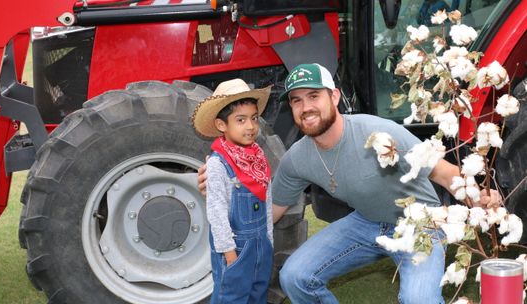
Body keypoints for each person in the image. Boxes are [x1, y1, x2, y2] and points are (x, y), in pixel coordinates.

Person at [198, 63, 501, 303]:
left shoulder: (379, 133)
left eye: (314, 96)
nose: (306, 108)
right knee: (295, 277)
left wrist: (480, 199)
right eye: (296, 101)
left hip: (417, 224)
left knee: (417, 299)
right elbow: (267, 210)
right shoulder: (297, 159)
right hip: (365, 223)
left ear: (334, 96)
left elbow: (443, 172)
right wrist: (228, 182)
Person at [192, 78, 274, 304]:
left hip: (261, 247)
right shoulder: (218, 165)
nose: (250, 126)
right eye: (241, 120)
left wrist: (269, 241)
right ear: (221, 125)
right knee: (231, 298)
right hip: (235, 250)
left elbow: (266, 201)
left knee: (258, 295)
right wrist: (230, 255)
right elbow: (217, 213)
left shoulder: (259, 159)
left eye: (254, 118)